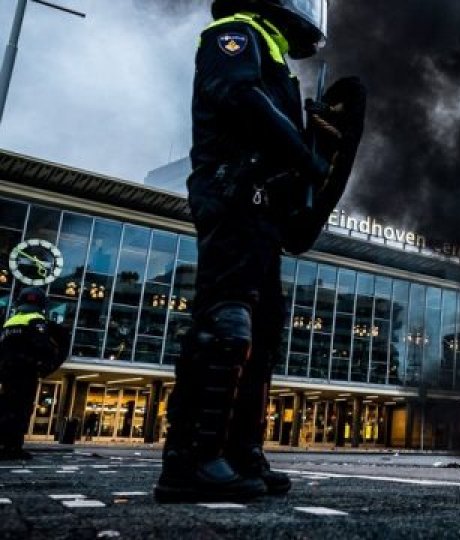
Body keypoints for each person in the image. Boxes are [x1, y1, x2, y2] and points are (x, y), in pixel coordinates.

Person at [155, 0, 364, 503]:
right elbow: (237, 95)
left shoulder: (274, 55)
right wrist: (302, 147)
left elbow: (278, 135)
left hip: (263, 209)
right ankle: (191, 461)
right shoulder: (234, 32)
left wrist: (317, 147)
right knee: (226, 325)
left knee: (262, 334)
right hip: (232, 195)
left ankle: (241, 452)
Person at [0, 287, 67, 460]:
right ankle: (13, 447)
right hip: (25, 372)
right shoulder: (37, 321)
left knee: (7, 407)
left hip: (7, 372)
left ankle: (5, 443)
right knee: (21, 409)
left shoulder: (11, 321)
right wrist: (47, 365)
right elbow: (44, 346)